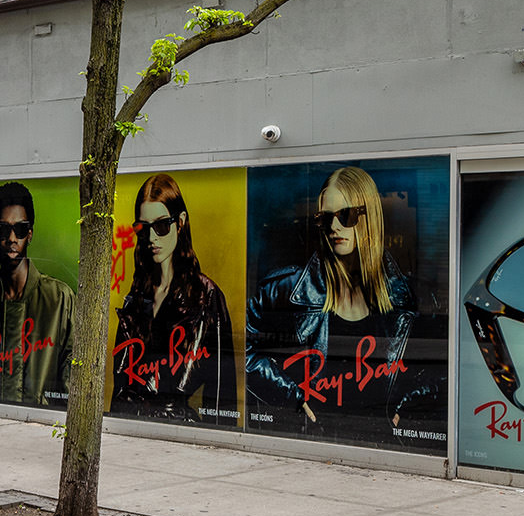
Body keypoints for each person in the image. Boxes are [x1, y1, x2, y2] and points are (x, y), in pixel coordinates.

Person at [244, 166, 436, 444]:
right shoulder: (287, 289)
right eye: (325, 218)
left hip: (382, 445)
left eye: (346, 215)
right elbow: (241, 347)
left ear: (369, 218)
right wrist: (291, 397)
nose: (334, 227)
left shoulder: (408, 298)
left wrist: (407, 410)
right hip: (312, 441)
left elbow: (439, 371)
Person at [113, 175, 236, 423]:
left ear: (180, 223)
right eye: (143, 228)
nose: (152, 238)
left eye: (161, 226)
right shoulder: (136, 298)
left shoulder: (206, 296)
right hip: (131, 427)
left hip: (179, 428)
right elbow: (120, 391)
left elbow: (222, 395)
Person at [0, 182, 75, 406]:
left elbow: (73, 391)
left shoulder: (60, 300)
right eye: (3, 229)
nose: (11, 238)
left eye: (20, 229)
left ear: (30, 234)